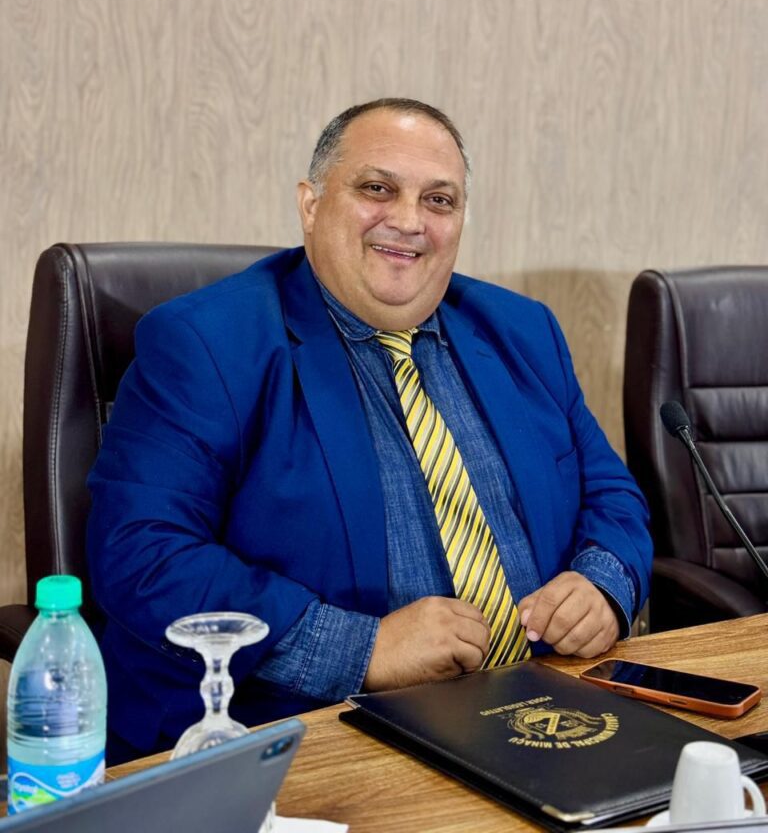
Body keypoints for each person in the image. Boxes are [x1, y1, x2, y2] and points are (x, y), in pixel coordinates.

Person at [87, 98, 652, 761]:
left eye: (439, 200)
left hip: (545, 717)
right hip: (311, 735)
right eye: (378, 189)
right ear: (311, 205)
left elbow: (610, 492)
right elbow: (143, 552)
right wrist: (363, 649)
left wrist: (602, 585)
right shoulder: (205, 342)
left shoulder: (524, 330)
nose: (409, 221)